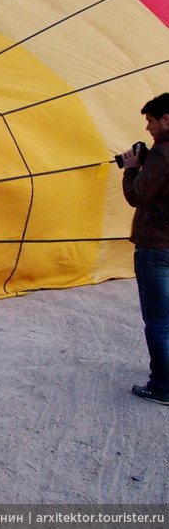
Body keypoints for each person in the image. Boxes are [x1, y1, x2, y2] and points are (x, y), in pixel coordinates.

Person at [121, 92, 169, 405]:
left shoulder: (162, 154)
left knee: (159, 320)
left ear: (167, 119)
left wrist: (131, 168)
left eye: (151, 120)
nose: (148, 128)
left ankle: (163, 385)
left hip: (157, 247)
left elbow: (137, 195)